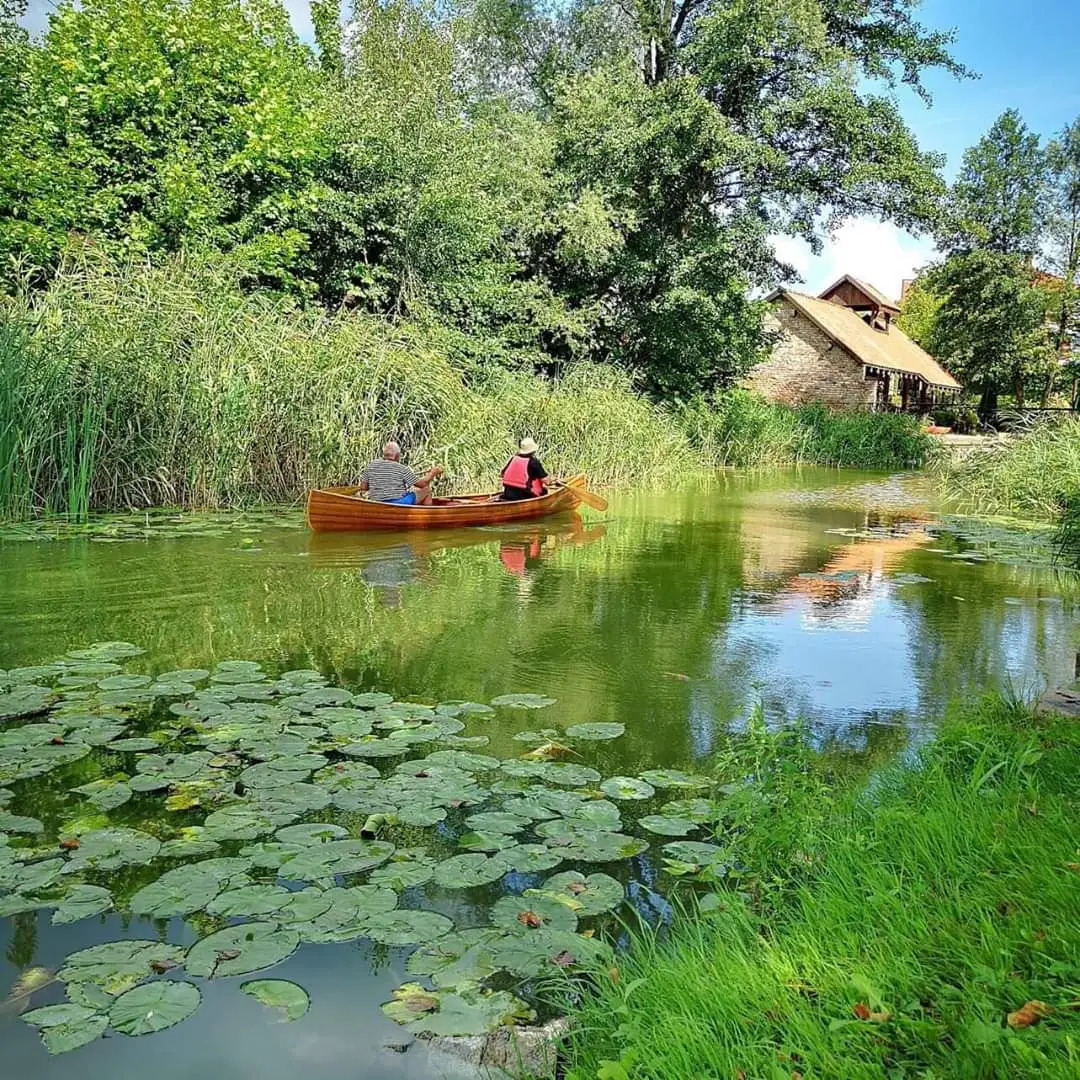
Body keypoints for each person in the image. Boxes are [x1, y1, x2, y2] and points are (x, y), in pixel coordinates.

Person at [359, 441, 443, 506]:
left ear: (384, 454)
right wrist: (433, 473)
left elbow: (363, 487)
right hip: (397, 503)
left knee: (415, 491)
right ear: (398, 456)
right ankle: (426, 518)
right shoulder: (401, 468)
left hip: (377, 503)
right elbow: (423, 484)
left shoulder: (372, 465)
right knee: (426, 490)